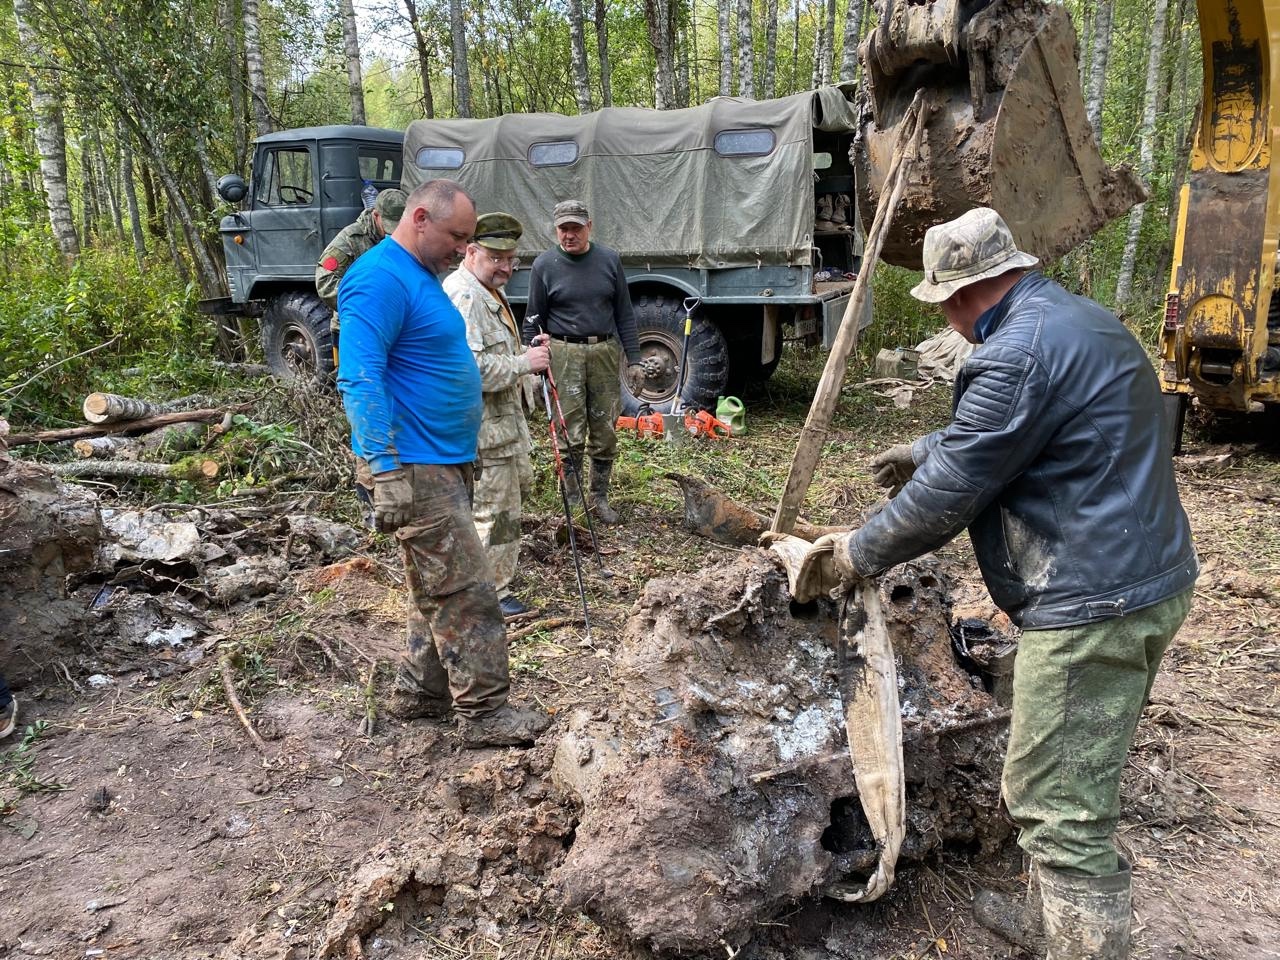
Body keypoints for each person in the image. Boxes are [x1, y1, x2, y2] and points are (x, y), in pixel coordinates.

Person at [799, 207, 1198, 960]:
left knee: (1057, 802)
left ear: (955, 297)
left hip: (1091, 602)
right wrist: (926, 446)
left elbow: (949, 499)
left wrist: (854, 554)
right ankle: (1056, 924)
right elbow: (1025, 426)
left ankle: (1081, 947)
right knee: (1074, 774)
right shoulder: (1080, 320)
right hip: (1150, 577)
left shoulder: (1013, 354)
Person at [336, 179, 550, 749]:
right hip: (412, 461)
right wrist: (383, 468)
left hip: (444, 456)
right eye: (457, 237)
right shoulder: (379, 278)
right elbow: (359, 375)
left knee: (435, 584)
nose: (463, 249)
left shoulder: (418, 278)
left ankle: (419, 690)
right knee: (467, 589)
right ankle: (484, 713)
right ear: (421, 217)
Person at [444, 213, 550, 619]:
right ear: (471, 252)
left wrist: (525, 355)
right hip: (486, 433)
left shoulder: (485, 288)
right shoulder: (466, 295)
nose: (505, 267)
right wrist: (525, 362)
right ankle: (492, 596)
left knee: (499, 509)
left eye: (511, 259)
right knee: (495, 514)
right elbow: (471, 370)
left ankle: (484, 585)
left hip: (501, 426)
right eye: (496, 258)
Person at [521, 199, 648, 524]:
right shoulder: (544, 265)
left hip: (604, 351)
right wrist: (532, 369)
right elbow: (533, 320)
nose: (569, 235)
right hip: (564, 353)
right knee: (569, 431)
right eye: (563, 229)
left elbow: (624, 314)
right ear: (556, 230)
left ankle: (599, 498)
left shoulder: (609, 260)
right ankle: (574, 502)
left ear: (588, 226)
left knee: (605, 428)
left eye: (575, 228)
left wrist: (634, 359)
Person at [316, 187, 408, 364]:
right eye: (388, 225)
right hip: (352, 328)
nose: (393, 232)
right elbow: (325, 281)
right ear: (376, 215)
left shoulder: (404, 239)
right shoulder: (351, 239)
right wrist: (364, 305)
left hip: (390, 328)